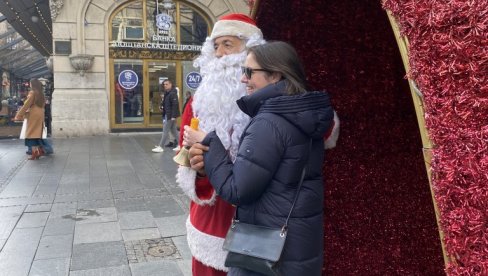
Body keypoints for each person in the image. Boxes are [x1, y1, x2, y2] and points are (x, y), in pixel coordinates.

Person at [185, 41, 335, 275]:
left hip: (267, 253)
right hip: (299, 244)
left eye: (249, 72)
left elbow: (237, 190)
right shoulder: (302, 114)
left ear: (274, 75)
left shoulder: (268, 122)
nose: (243, 79)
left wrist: (209, 142)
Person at [176, 13, 265, 275]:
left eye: (228, 44)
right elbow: (183, 156)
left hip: (253, 216)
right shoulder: (197, 102)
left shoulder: (266, 97)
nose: (221, 54)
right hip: (210, 216)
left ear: (250, 49)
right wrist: (197, 166)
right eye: (216, 46)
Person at [14, 79, 46, 160]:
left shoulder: (32, 93)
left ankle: (34, 153)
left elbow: (27, 104)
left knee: (31, 133)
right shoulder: (41, 93)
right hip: (40, 113)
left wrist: (19, 114)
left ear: (33, 84)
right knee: (37, 133)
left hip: (33, 114)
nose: (30, 85)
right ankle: (38, 151)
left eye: (31, 83)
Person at [152, 79, 180, 152]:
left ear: (171, 84)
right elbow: (166, 104)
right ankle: (181, 145)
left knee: (165, 131)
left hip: (170, 115)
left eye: (166, 84)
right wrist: (162, 107)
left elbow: (175, 105)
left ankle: (160, 147)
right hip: (167, 114)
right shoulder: (167, 93)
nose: (165, 86)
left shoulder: (173, 93)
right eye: (164, 84)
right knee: (174, 131)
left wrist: (173, 116)